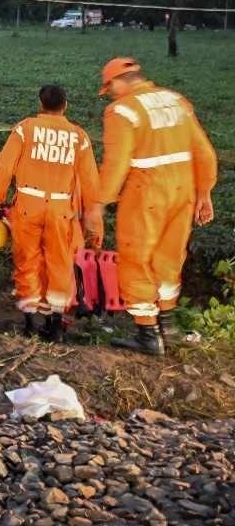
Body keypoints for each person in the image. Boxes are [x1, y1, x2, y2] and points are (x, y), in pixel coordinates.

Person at [98, 57, 218, 355]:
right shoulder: (176, 100)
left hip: (147, 192)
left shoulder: (122, 110)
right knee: (169, 257)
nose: (110, 93)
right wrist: (205, 192)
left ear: (117, 81)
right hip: (184, 190)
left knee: (136, 257)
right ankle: (169, 326)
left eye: (109, 87)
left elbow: (116, 164)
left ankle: (147, 334)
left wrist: (99, 203)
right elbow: (203, 151)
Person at [0, 85, 103, 341]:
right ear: (66, 106)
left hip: (28, 205)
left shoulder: (25, 128)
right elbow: (90, 183)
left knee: (27, 262)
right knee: (60, 265)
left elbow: (5, 167)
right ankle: (55, 327)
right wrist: (94, 226)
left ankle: (30, 324)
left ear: (40, 104)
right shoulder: (79, 137)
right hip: (61, 209)